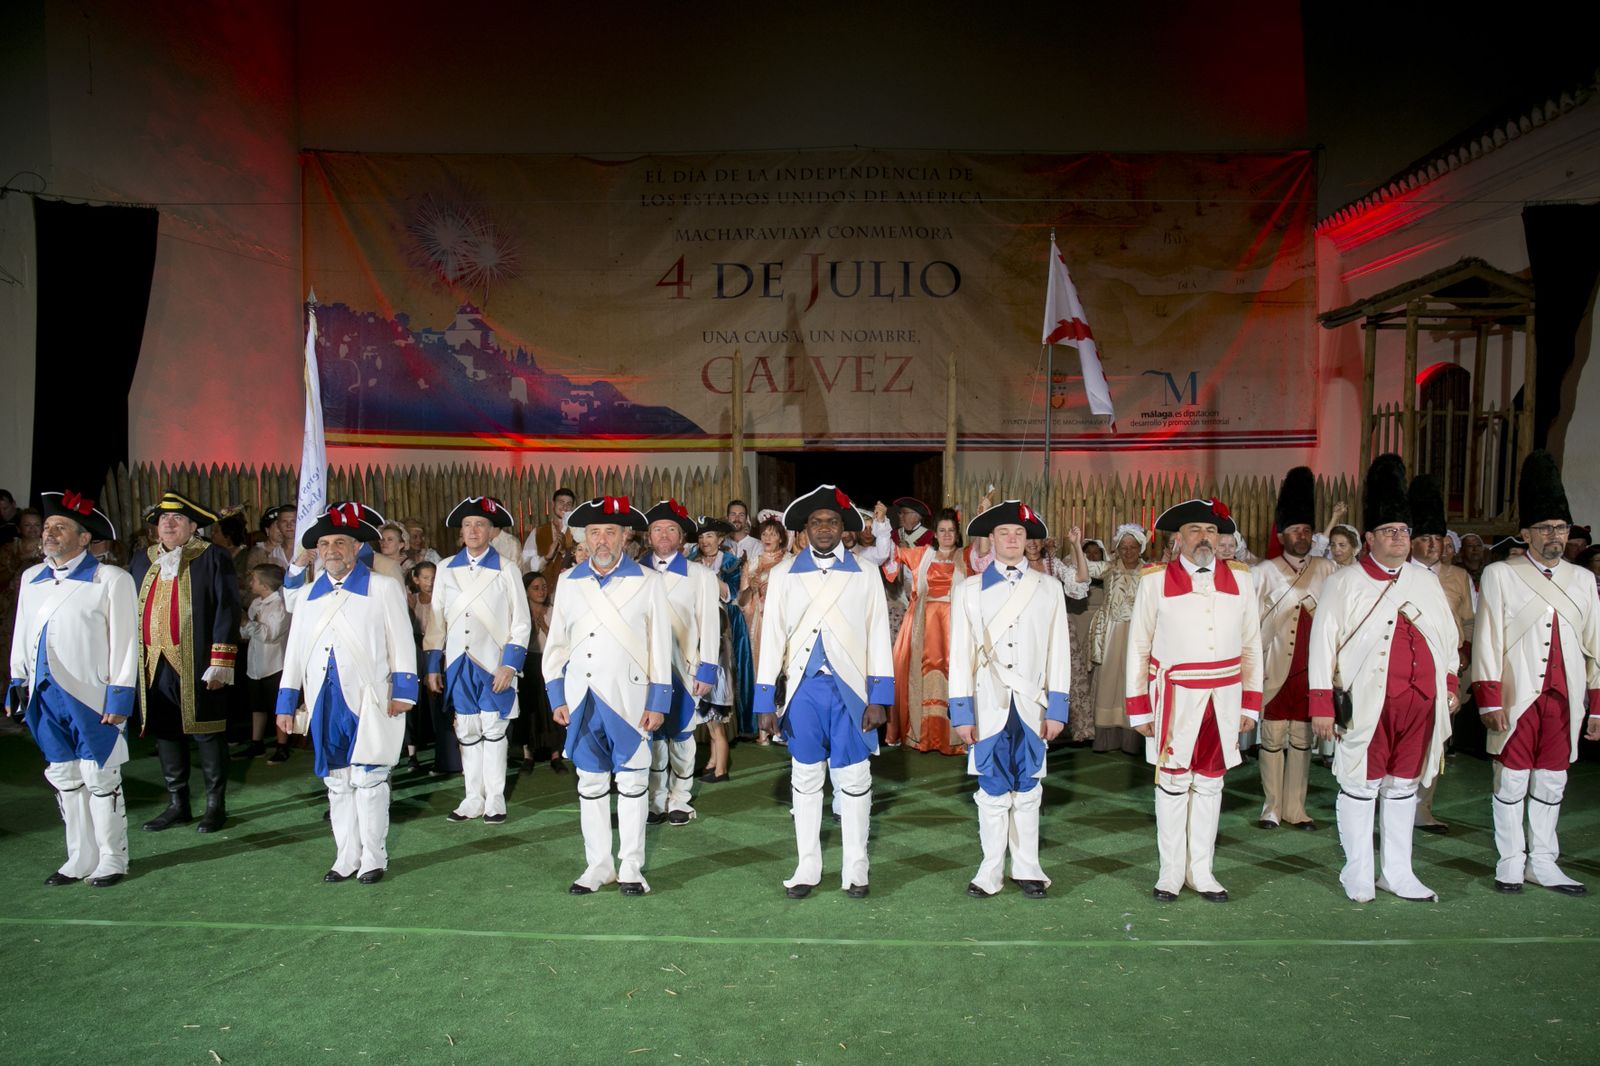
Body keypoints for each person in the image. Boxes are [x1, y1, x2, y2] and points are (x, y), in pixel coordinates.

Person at [1308, 455, 1461, 903]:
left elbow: (1447, 638)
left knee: (1403, 787)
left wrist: (1449, 685)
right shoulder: (1344, 583)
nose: (1399, 538)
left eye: (1404, 531)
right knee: (1360, 785)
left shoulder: (1426, 582)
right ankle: (1358, 872)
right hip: (1368, 701)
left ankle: (1397, 872)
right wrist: (1320, 704)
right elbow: (1323, 644)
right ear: (1370, 538)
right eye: (1390, 531)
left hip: (1419, 704)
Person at [755, 485, 894, 899]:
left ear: (844, 528)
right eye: (816, 522)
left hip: (852, 691)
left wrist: (880, 698)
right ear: (803, 530)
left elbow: (878, 637)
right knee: (805, 777)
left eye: (832, 521)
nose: (824, 528)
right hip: (803, 691)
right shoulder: (782, 575)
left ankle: (856, 867)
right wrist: (766, 701)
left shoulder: (866, 574)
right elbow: (773, 638)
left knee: (854, 779)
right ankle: (807, 867)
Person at [1473, 451, 1600, 896]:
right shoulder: (1500, 575)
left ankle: (1544, 861)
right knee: (1511, 779)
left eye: (1561, 528)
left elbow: (1596, 645)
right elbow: (1487, 639)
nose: (1555, 536)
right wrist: (1489, 698)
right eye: (1545, 528)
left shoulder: (1583, 581)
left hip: (1565, 699)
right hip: (1516, 695)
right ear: (1525, 533)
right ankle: (1510, 861)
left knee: (1551, 780)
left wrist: (1597, 706)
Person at [1126, 497, 1262, 903]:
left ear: (1221, 537)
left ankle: (1201, 870)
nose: (1204, 538)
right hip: (1174, 698)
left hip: (1224, 698)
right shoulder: (1154, 581)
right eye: (1195, 531)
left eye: (1211, 530)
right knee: (1172, 783)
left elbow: (1251, 645)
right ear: (1178, 538)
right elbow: (1138, 647)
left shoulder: (1242, 580)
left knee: (1210, 784)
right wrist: (1139, 708)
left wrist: (1249, 705)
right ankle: (1170, 872)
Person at [274, 503, 418, 884]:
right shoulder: (306, 597)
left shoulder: (383, 586)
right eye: (324, 544)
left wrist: (404, 690)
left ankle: (374, 856)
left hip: (370, 698)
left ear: (357, 548)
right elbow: (294, 653)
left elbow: (401, 642)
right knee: (337, 781)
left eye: (341, 542)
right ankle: (345, 855)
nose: (332, 550)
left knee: (370, 778)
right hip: (324, 699)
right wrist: (286, 701)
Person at [542, 496, 672, 896]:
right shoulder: (568, 580)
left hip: (630, 699)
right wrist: (555, 694)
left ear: (625, 536)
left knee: (633, 784)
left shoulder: (649, 581)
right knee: (591, 783)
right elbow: (557, 644)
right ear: (584, 537)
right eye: (594, 533)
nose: (601, 540)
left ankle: (631, 866)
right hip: (583, 698)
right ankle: (598, 866)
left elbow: (660, 646)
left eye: (610, 532)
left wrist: (658, 702)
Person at [7, 492, 136, 887]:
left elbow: (126, 642)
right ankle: (79, 858)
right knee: (63, 774)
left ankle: (113, 859)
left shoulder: (110, 579)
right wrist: (17, 680)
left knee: (100, 776)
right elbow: (23, 631)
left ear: (84, 539)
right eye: (47, 527)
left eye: (60, 527)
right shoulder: (32, 579)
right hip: (45, 694)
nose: (49, 533)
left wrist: (120, 695)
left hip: (91, 693)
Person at [947, 500, 1072, 898]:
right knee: (992, 787)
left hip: (1032, 705)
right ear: (992, 539)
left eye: (1019, 533)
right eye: (1004, 533)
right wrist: (962, 712)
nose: (1013, 539)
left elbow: (1059, 653)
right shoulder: (968, 590)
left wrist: (1057, 708)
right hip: (987, 704)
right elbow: (959, 656)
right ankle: (989, 869)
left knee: (1029, 787)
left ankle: (1028, 867)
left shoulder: (1050, 588)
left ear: (1028, 539)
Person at [128, 492, 242, 834]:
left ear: (193, 526)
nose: (168, 523)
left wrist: (220, 663)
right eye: (163, 519)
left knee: (207, 734)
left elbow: (227, 609)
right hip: (152, 662)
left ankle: (214, 806)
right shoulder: (140, 559)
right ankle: (177, 803)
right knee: (165, 733)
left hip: (198, 663)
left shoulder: (213, 558)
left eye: (177, 518)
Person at [423, 496, 531, 824]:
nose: (473, 530)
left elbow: (521, 621)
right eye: (468, 525)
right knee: (467, 730)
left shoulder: (506, 569)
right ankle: (472, 797)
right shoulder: (445, 568)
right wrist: (432, 666)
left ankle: (495, 797)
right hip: (458, 663)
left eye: (480, 525)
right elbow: (436, 619)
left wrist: (509, 665)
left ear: (492, 531)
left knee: (494, 729)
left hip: (493, 662)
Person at [1253, 467, 1335, 831]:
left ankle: (1296, 808)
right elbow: (1251, 626)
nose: (1301, 536)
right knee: (1272, 737)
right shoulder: (1264, 572)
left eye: (1305, 531)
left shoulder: (1328, 569)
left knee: (1303, 738)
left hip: (1311, 666)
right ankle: (1271, 806)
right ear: (1281, 534)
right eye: (1294, 531)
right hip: (1274, 666)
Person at [640, 500, 721, 825]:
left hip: (685, 667)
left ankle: (680, 798)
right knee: (654, 735)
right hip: (645, 670)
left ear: (681, 537)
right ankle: (655, 799)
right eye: (657, 529)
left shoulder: (699, 575)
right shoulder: (635, 571)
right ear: (648, 536)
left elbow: (709, 625)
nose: (663, 534)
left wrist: (708, 668)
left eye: (671, 529)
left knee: (683, 735)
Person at [1404, 474, 1475, 834]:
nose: (1433, 545)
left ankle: (1424, 809)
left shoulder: (1458, 577)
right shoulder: (1398, 575)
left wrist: (1464, 657)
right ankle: (1394, 803)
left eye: (1438, 539)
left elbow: (1468, 623)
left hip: (1448, 670)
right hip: (1407, 672)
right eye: (1425, 539)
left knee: (1439, 739)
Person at [871, 503, 965, 754]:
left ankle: (953, 736)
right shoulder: (922, 554)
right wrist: (882, 524)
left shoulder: (966, 557)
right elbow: (889, 556)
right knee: (916, 674)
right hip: (922, 624)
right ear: (935, 533)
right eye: (942, 530)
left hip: (954, 626)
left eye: (951, 531)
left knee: (954, 675)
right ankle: (921, 734)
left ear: (957, 533)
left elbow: (987, 557)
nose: (946, 535)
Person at [1089, 523, 1150, 754]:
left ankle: (1131, 739)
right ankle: (1106, 739)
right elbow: (1086, 569)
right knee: (1108, 682)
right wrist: (1075, 545)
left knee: (1133, 681)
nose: (1128, 551)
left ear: (1140, 548)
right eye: (1123, 547)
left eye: (1132, 547)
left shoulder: (1149, 571)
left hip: (1137, 633)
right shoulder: (1110, 569)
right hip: (1112, 632)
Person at [739, 516, 789, 745]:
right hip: (758, 623)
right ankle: (763, 729)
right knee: (762, 672)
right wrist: (752, 588)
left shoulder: (789, 561)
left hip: (783, 621)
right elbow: (741, 601)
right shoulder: (752, 563)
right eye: (765, 533)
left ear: (781, 538)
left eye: (773, 533)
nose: (768, 537)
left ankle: (785, 724)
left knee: (785, 671)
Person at [234, 564, 290, 763]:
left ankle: (282, 745)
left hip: (275, 664)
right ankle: (257, 743)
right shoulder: (256, 603)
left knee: (278, 706)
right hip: (255, 663)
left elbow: (270, 635)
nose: (250, 583)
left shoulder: (281, 606)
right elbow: (245, 633)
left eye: (254, 580)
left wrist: (247, 623)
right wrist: (245, 624)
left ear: (265, 585)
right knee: (257, 706)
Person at [514, 571, 563, 772]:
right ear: (525, 591)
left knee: (551, 706)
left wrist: (543, 624)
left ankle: (555, 754)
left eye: (543, 587)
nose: (541, 591)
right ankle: (528, 754)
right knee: (530, 708)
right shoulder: (520, 612)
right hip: (528, 663)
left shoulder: (552, 611)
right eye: (535, 588)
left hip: (550, 662)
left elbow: (561, 639)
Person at [521, 486, 578, 583]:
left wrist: (565, 552)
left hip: (569, 589)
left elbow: (584, 563)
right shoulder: (537, 532)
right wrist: (546, 558)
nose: (565, 507)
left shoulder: (578, 532)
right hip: (543, 592)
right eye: (561, 502)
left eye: (569, 504)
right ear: (553, 504)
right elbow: (525, 565)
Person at [723, 499, 761, 568]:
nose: (737, 518)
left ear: (746, 519)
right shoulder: (721, 544)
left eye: (741, 515)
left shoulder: (758, 546)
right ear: (727, 518)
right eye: (733, 514)